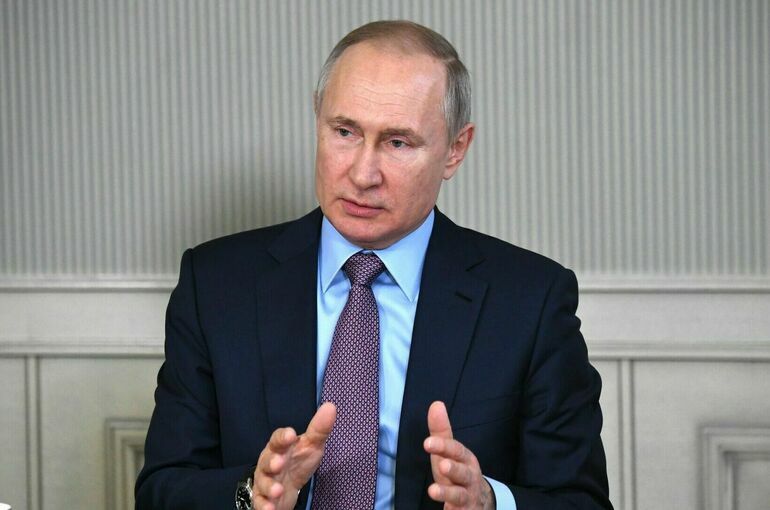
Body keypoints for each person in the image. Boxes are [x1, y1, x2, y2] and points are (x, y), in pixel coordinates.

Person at [135, 20, 612, 510]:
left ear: (455, 150)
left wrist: (490, 502)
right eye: (345, 132)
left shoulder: (530, 300)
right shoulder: (215, 284)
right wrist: (249, 495)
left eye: (397, 142)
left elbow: (581, 502)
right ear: (317, 119)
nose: (363, 174)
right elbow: (162, 491)